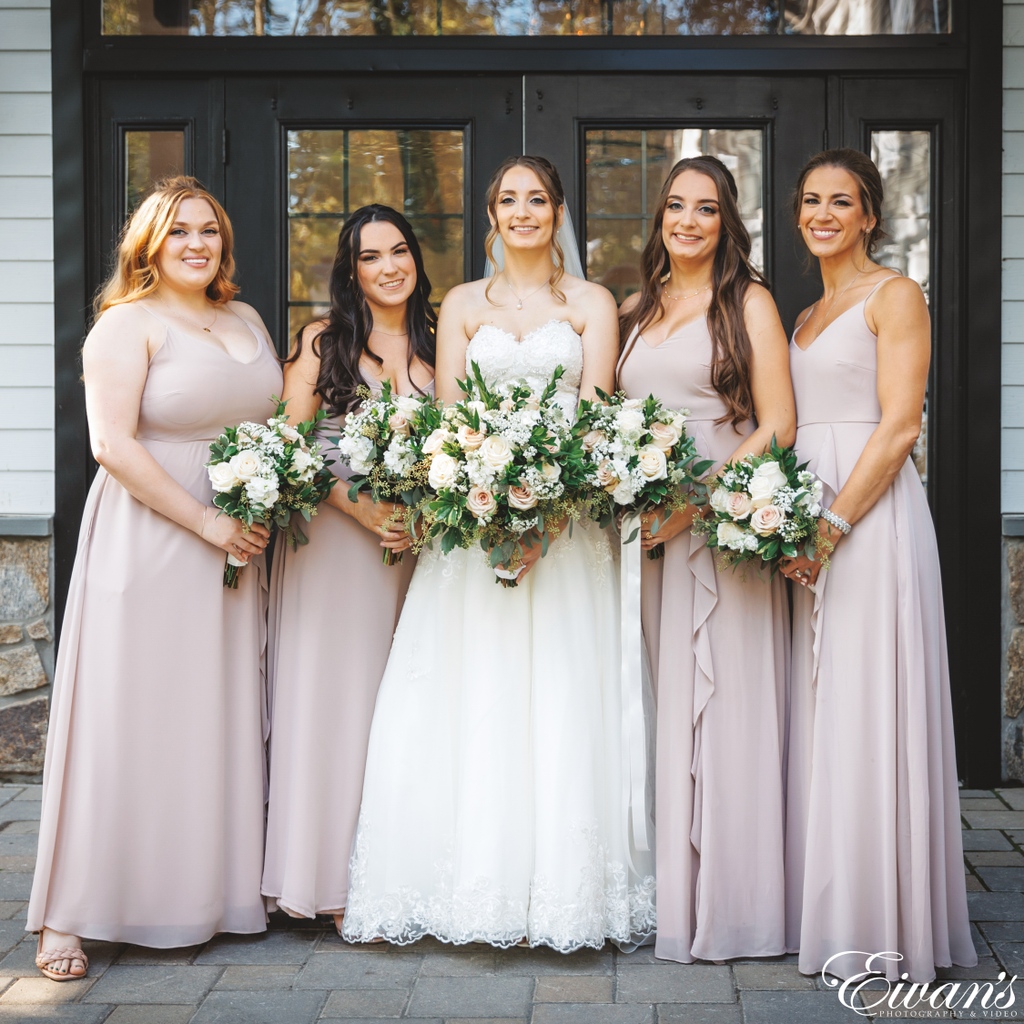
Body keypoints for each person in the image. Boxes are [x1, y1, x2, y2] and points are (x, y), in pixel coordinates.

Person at [342, 155, 656, 952]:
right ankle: (466, 886)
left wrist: (547, 515)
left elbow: (593, 418)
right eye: (509, 199)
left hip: (567, 532)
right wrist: (488, 500)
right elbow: (451, 416)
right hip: (472, 531)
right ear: (491, 214)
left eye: (538, 199)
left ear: (558, 213)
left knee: (559, 695)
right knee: (470, 694)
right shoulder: (460, 304)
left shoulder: (590, 303)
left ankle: (566, 894)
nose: (524, 212)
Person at [28, 177, 281, 979]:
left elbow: (270, 424)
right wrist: (205, 521)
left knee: (213, 718)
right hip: (152, 540)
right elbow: (112, 444)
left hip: (236, 546)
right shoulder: (123, 326)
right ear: (148, 245)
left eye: (209, 230)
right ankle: (71, 914)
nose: (197, 244)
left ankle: (205, 893)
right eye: (178, 233)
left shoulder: (244, 317)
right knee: (125, 719)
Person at [780, 148, 977, 981]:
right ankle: (835, 902)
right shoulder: (804, 314)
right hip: (804, 521)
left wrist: (830, 524)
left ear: (869, 215)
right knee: (828, 708)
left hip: (869, 518)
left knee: (870, 701)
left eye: (841, 201)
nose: (823, 213)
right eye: (810, 201)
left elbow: (899, 428)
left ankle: (886, 917)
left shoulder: (894, 295)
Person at [617, 155, 796, 963]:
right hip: (649, 537)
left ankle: (739, 905)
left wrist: (699, 498)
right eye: (677, 207)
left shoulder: (748, 302)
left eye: (708, 209)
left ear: (728, 223)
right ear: (659, 217)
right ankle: (672, 897)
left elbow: (778, 424)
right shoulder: (634, 308)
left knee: (729, 711)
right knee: (662, 705)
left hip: (720, 529)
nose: (688, 221)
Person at [262, 205, 435, 933]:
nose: (389, 267)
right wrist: (356, 508)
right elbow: (286, 445)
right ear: (351, 270)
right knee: (333, 706)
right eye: (371, 257)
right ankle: (323, 879)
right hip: (335, 545)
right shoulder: (323, 342)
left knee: (397, 712)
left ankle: (389, 872)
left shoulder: (438, 345)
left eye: (400, 251)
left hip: (416, 552)